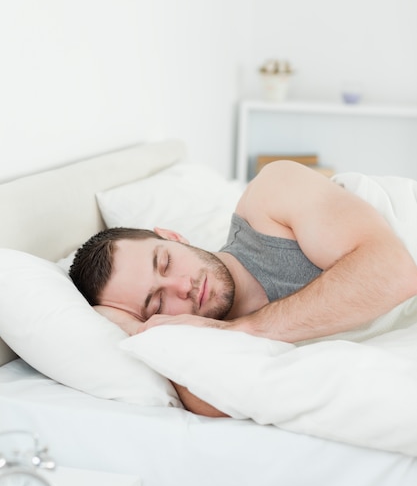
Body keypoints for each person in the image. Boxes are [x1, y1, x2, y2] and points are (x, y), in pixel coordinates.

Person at [69, 160, 417, 415]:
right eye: (157, 303)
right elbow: (209, 402)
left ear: (173, 236)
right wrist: (127, 326)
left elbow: (394, 271)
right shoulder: (216, 347)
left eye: (166, 262)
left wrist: (246, 327)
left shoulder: (273, 193)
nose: (183, 286)